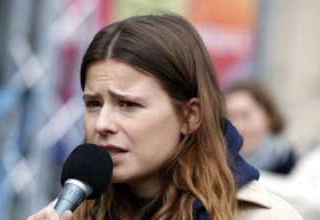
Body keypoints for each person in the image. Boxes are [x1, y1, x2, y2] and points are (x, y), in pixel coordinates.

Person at [27, 13, 302, 220]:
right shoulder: (65, 213)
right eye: (93, 104)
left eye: (128, 104)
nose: (102, 124)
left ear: (190, 116)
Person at [224, 80, 297, 174]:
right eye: (229, 116)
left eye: (245, 115)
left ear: (269, 117)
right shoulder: (215, 168)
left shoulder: (291, 166)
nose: (236, 125)